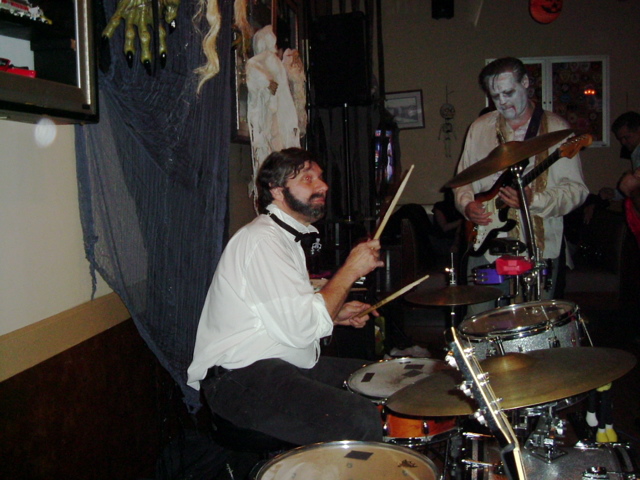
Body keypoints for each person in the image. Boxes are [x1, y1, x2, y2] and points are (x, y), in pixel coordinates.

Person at [187, 148, 385, 446]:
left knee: (380, 378)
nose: (323, 186)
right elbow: (302, 328)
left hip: (281, 363)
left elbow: (284, 314)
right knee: (359, 418)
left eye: (320, 177)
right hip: (238, 378)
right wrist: (350, 270)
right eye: (308, 179)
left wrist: (335, 313)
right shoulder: (261, 241)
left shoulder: (284, 237)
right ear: (277, 191)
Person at [453, 57, 588, 312]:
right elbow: (463, 181)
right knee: (479, 319)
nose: (502, 102)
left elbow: (577, 191)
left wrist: (534, 200)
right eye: (495, 96)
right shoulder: (480, 128)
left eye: (508, 92)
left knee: (535, 322)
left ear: (525, 83)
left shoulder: (556, 129)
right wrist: (467, 205)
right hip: (486, 247)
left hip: (539, 249)